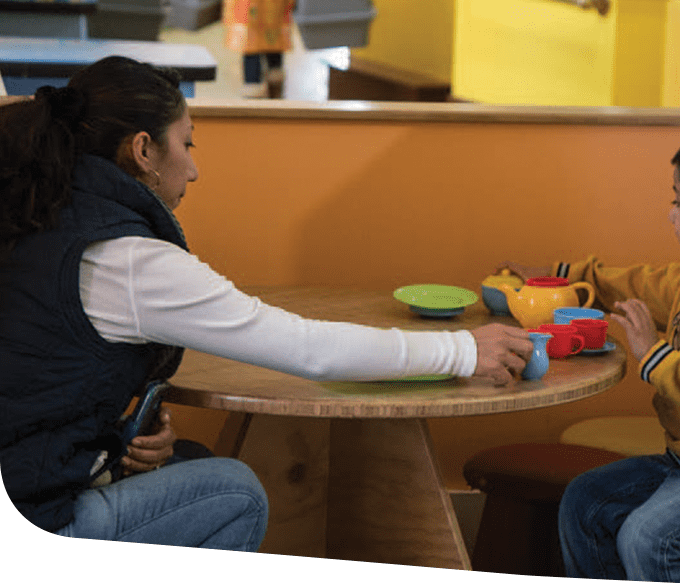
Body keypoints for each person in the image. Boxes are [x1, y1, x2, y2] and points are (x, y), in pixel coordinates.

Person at [0, 56, 532, 550]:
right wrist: (463, 351)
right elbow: (309, 351)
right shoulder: (127, 260)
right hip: (36, 523)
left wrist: (116, 442)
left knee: (190, 461)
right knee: (236, 493)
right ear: (142, 151)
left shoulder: (34, 211)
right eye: (187, 145)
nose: (193, 170)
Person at [497, 119, 680, 582]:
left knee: (646, 537)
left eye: (677, 201)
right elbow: (633, 282)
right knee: (584, 501)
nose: (671, 214)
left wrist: (655, 357)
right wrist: (560, 275)